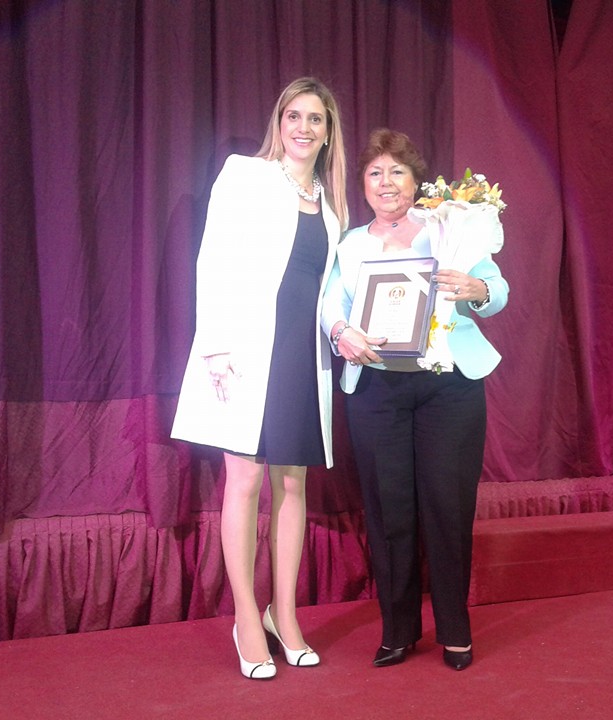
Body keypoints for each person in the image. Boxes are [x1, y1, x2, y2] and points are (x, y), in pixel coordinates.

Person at [172, 77, 348, 680]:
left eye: (315, 119)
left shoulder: (332, 207)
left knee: (293, 484)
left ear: (328, 133)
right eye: (293, 116)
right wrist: (215, 345)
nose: (303, 127)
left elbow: (325, 291)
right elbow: (212, 259)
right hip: (245, 354)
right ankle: (247, 616)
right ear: (279, 122)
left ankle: (284, 614)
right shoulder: (244, 176)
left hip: (301, 355)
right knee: (244, 481)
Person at [321, 129, 508, 671]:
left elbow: (497, 289)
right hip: (377, 390)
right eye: (375, 173)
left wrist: (478, 291)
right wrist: (340, 332)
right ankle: (398, 631)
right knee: (389, 512)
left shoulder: (449, 231)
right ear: (363, 184)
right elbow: (330, 304)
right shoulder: (349, 244)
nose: (386, 182)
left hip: (448, 389)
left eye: (397, 172)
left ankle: (454, 630)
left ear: (416, 181)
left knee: (448, 508)